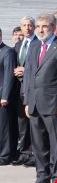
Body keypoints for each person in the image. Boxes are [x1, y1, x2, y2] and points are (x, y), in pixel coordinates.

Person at [23, 13, 57, 182]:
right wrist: (26, 100)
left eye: (45, 26)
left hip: (52, 104)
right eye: (38, 26)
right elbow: (29, 75)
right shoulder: (33, 46)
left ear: (53, 28)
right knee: (39, 145)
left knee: (56, 144)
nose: (40, 30)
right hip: (33, 104)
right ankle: (42, 175)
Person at [12, 16, 38, 166]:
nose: (27, 28)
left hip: (32, 90)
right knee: (22, 123)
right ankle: (25, 152)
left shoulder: (38, 44)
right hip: (19, 90)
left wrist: (25, 70)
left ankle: (35, 154)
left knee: (34, 122)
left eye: (29, 25)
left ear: (34, 27)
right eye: (24, 25)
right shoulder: (18, 45)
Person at [0, 28, 17, 165]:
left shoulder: (7, 52)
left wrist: (5, 96)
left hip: (2, 98)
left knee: (4, 128)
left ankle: (5, 156)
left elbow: (8, 76)